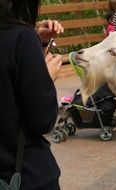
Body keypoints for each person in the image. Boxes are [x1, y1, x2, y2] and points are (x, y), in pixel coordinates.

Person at [0, 0, 64, 189]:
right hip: (24, 176)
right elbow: (43, 120)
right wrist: (45, 77)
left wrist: (38, 42)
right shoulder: (21, 38)